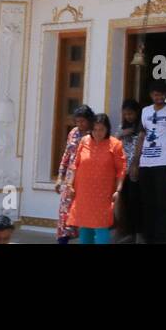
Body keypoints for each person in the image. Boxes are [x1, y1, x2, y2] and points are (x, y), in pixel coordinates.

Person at [131, 81, 166, 244]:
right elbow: (140, 137)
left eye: (161, 94)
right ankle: (148, 237)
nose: (158, 97)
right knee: (147, 202)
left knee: (162, 203)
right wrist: (135, 163)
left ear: (165, 94)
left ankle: (161, 237)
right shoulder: (145, 112)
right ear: (150, 95)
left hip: (164, 162)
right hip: (146, 163)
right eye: (155, 94)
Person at [65, 112, 127, 244]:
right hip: (83, 193)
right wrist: (69, 184)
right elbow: (75, 164)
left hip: (103, 194)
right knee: (85, 226)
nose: (98, 133)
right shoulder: (84, 141)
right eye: (95, 129)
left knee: (101, 227)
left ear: (107, 129)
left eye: (101, 129)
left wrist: (118, 189)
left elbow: (121, 169)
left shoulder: (115, 144)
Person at [54, 104, 94, 244]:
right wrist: (60, 177)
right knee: (65, 213)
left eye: (83, 121)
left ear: (89, 120)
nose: (80, 124)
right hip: (70, 179)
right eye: (77, 121)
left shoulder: (95, 134)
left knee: (85, 215)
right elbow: (66, 155)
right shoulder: (73, 133)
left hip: (87, 179)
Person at [115, 98, 143, 243]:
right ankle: (126, 232)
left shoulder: (142, 128)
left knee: (135, 201)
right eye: (125, 114)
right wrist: (123, 132)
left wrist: (135, 165)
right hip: (122, 171)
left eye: (131, 114)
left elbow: (141, 146)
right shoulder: (122, 127)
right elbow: (114, 142)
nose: (128, 117)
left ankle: (138, 233)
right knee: (123, 201)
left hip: (135, 170)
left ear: (137, 113)